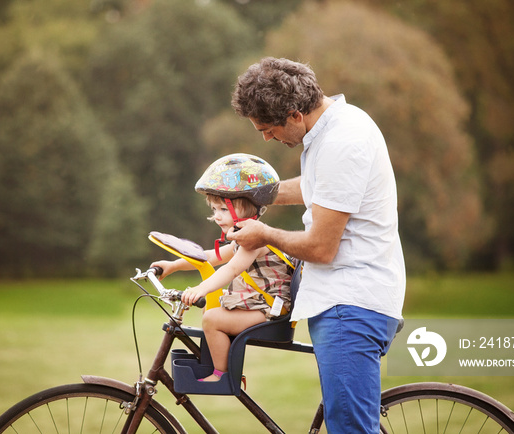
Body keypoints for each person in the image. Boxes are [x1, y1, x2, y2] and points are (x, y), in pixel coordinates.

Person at [227, 57, 405, 433]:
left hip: (350, 306)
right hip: (347, 301)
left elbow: (322, 247)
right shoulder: (337, 127)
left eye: (268, 129)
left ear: (294, 115)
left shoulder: (342, 142)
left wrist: (265, 234)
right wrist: (250, 192)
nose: (266, 139)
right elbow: (317, 188)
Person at [151, 153, 294, 382]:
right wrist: (173, 266)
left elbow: (231, 269)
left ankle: (223, 375)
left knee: (212, 319)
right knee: (213, 309)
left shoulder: (254, 239)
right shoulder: (242, 237)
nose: (217, 216)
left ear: (248, 208)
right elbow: (209, 257)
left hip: (270, 311)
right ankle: (220, 366)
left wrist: (201, 289)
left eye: (223, 209)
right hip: (258, 304)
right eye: (214, 209)